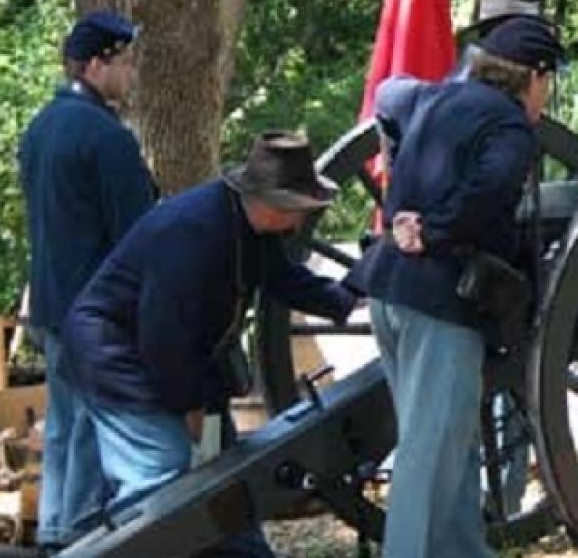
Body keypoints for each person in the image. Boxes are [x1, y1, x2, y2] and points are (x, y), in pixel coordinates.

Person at [63, 132, 360, 555]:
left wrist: (348, 297)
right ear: (275, 203)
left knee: (226, 479)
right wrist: (193, 409)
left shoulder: (250, 225)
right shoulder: (194, 233)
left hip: (186, 363)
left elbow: (284, 279)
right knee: (160, 479)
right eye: (299, 209)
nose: (300, 222)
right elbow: (166, 336)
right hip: (117, 357)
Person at [351, 14, 562, 557]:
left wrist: (406, 210)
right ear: (535, 77)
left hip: (390, 293)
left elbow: (389, 97)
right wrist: (437, 229)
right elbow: (491, 186)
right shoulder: (511, 127)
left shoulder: (436, 98)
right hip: (440, 302)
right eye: (549, 83)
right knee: (429, 456)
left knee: (453, 448)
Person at [16, 9, 156, 550]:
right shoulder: (106, 137)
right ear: (98, 64)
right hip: (97, 309)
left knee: (63, 425)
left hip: (53, 303)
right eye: (125, 62)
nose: (131, 74)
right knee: (93, 431)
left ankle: (55, 528)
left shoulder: (40, 128)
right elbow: (137, 237)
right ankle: (76, 536)